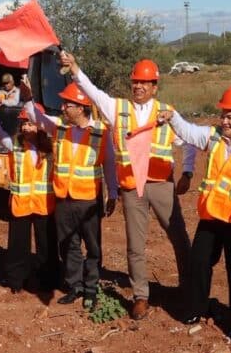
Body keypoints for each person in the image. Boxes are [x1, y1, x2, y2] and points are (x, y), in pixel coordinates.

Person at [64, 52, 195, 320]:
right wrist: (75, 68)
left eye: (145, 82)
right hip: (132, 189)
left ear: (154, 87)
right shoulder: (118, 108)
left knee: (179, 238)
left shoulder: (167, 112)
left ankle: (191, 288)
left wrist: (188, 173)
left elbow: (190, 140)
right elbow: (93, 91)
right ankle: (140, 296)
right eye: (135, 81)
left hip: (161, 185)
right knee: (135, 245)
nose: (138, 86)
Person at [156, 86, 231, 341]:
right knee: (199, 262)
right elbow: (188, 131)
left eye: (230, 117)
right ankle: (196, 308)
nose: (224, 121)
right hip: (211, 216)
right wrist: (172, 116)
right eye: (223, 116)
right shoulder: (213, 137)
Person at [24, 81, 118, 309]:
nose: (63, 107)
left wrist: (112, 193)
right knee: (68, 246)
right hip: (64, 198)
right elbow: (37, 118)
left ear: (81, 107)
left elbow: (110, 165)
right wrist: (28, 97)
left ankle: (91, 288)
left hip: (88, 201)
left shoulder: (101, 133)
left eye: (68, 104)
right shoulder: (60, 129)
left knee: (93, 247)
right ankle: (75, 286)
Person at [0, 99, 60, 294]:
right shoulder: (15, 145)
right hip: (21, 204)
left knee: (47, 247)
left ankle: (47, 280)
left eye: (30, 122)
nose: (26, 127)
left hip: (44, 204)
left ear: (40, 124)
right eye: (24, 123)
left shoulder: (52, 147)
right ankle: (17, 280)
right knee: (18, 246)